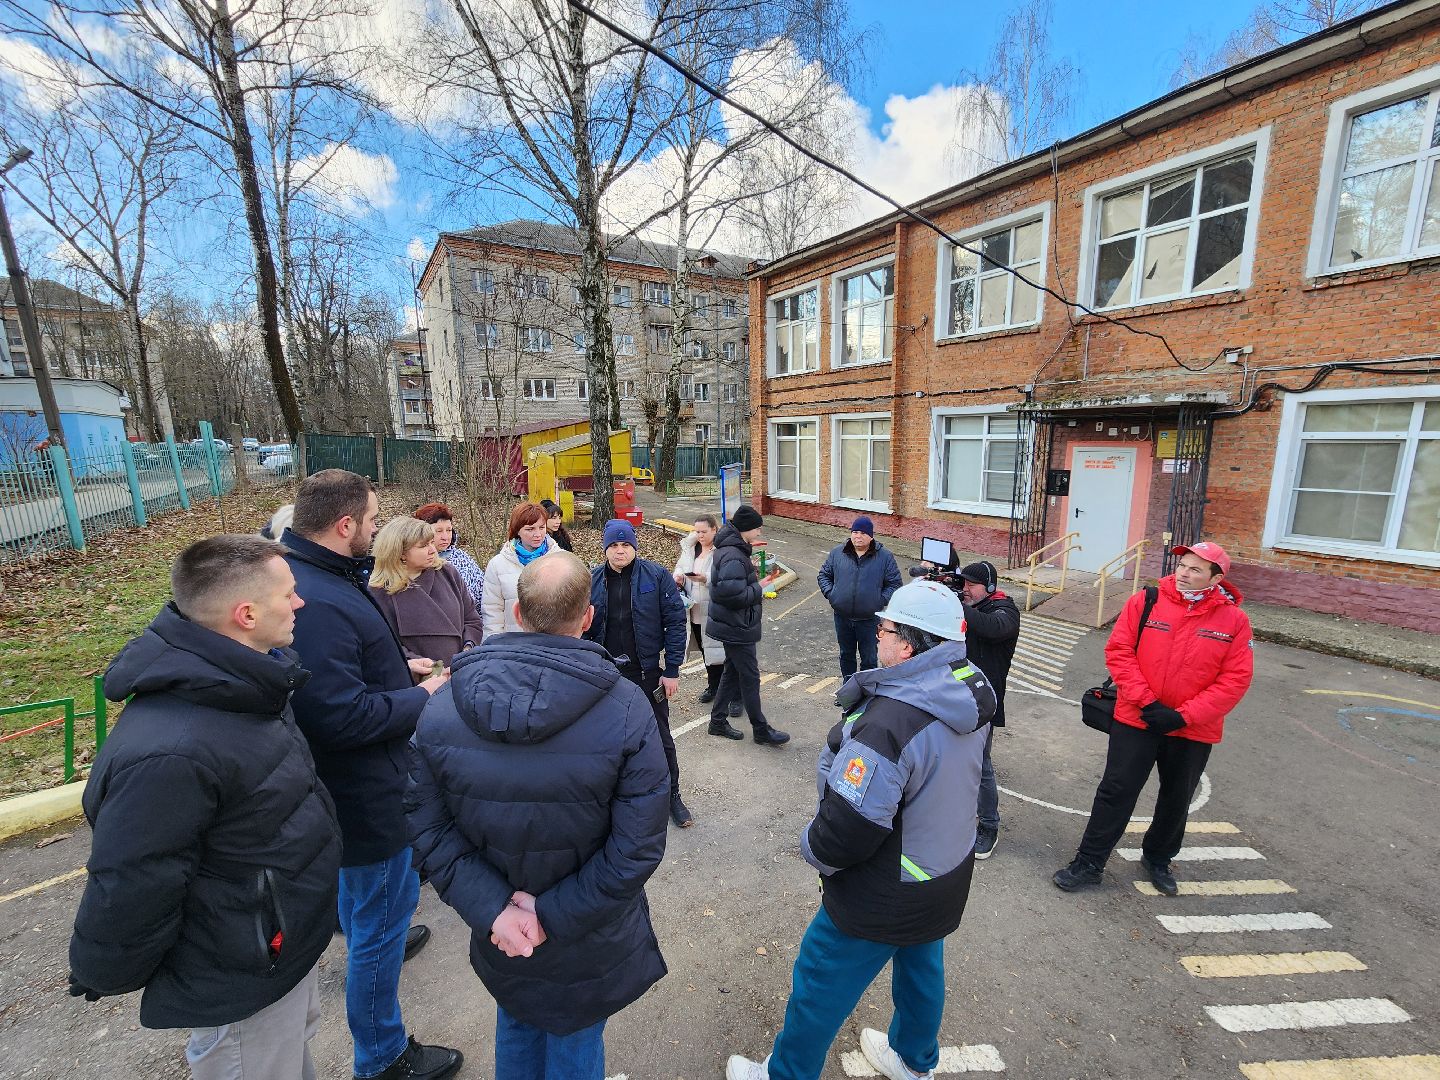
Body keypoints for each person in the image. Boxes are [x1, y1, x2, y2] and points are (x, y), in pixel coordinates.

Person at [68, 534, 342, 1080]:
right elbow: (136, 872)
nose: (300, 602)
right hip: (239, 965)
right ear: (246, 614)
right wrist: (106, 964)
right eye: (288, 593)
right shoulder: (174, 747)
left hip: (276, 948)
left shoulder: (249, 686)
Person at [407, 550, 670, 1080]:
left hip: (500, 927)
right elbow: (637, 846)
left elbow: (427, 829)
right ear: (588, 617)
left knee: (517, 1018)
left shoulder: (442, 705)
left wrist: (497, 911)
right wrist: (550, 915)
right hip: (587, 927)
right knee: (575, 1034)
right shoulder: (626, 707)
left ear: (517, 613)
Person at [726, 580, 996, 1080]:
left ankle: (786, 1074)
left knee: (820, 979)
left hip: (883, 888)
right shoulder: (967, 692)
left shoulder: (889, 723)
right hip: (942, 870)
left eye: (885, 627)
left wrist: (813, 848)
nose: (877, 633)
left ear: (908, 645)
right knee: (921, 967)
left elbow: (848, 830)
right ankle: (913, 1060)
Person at [280, 470, 460, 1080]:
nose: (378, 528)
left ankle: (377, 931)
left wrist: (398, 669)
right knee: (378, 922)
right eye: (374, 520)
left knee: (373, 905)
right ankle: (383, 1056)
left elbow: (344, 673)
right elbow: (338, 716)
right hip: (363, 795)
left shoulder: (320, 578)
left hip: (353, 786)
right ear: (345, 525)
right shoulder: (319, 598)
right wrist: (421, 695)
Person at [1053, 541, 1254, 897]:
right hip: (1137, 718)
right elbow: (1119, 652)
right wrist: (1147, 703)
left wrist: (1182, 716)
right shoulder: (1146, 601)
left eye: (1195, 569)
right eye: (1183, 565)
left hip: (1192, 729)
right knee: (1116, 791)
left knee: (1177, 798)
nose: (1184, 573)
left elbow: (1235, 679)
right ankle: (1089, 862)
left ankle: (1158, 858)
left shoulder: (1234, 621)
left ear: (1216, 578)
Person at [586, 518, 692, 827]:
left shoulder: (656, 577)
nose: (619, 551)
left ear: (634, 546)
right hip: (607, 676)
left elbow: (675, 623)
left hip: (647, 675)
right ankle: (614, 798)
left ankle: (673, 796)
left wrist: (671, 669)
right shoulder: (592, 581)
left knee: (660, 738)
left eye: (625, 545)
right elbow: (582, 627)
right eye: (613, 545)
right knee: (608, 740)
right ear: (605, 548)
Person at [706, 504, 788, 746]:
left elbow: (731, 588)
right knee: (750, 677)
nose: (760, 532)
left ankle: (717, 721)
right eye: (757, 528)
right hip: (736, 626)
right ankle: (760, 730)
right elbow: (732, 596)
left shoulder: (732, 549)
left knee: (732, 672)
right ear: (746, 529)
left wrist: (754, 583)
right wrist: (758, 588)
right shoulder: (733, 554)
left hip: (734, 625)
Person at [956, 561, 1019, 860]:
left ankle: (989, 825)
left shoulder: (1004, 610)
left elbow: (993, 628)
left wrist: (952, 604)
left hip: (983, 702)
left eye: (972, 585)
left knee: (980, 765)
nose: (965, 589)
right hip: (955, 695)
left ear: (990, 587)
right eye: (963, 583)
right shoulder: (969, 605)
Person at [369, 516, 483, 674]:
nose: (433, 550)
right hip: (419, 680)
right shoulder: (380, 591)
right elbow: (384, 643)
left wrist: (468, 648)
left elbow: (471, 618)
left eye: (431, 542)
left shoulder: (448, 573)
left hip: (462, 671)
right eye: (423, 546)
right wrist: (425, 669)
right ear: (401, 552)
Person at [817, 516, 902, 681]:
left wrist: (878, 601)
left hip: (869, 619)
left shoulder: (884, 557)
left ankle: (866, 690)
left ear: (871, 536)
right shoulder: (838, 553)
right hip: (842, 617)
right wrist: (832, 594)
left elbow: (894, 584)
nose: (858, 536)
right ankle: (849, 688)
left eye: (863, 533)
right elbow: (824, 575)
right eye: (855, 532)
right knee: (846, 655)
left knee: (869, 658)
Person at [673, 514, 726, 703]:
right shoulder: (690, 547)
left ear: (714, 530)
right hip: (693, 609)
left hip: (714, 610)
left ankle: (729, 691)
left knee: (720, 652)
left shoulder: (721, 550)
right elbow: (680, 566)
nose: (700, 535)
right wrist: (679, 576)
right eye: (697, 531)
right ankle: (713, 687)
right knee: (706, 650)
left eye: (704, 531)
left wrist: (705, 579)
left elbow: (726, 577)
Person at [483, 502, 554, 638]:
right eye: (530, 529)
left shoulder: (561, 559)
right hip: (512, 644)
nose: (537, 534)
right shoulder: (498, 565)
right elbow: (492, 612)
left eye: (541, 527)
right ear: (517, 530)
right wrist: (494, 644)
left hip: (553, 644)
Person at [415, 502, 485, 612]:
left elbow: (484, 594)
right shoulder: (416, 564)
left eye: (448, 530)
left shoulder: (462, 558)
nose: (445, 537)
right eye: (439, 531)